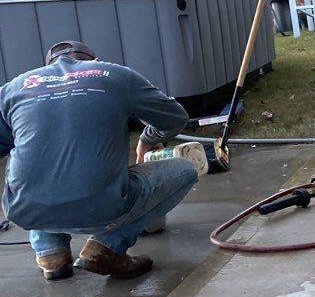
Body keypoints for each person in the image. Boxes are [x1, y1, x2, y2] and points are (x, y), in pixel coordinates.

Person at [0, 41, 199, 281]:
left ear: (47, 67)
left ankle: (51, 254)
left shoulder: (14, 88)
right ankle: (106, 248)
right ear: (93, 61)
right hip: (103, 206)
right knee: (185, 170)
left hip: (23, 210)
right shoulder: (113, 74)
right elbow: (175, 117)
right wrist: (147, 138)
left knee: (32, 157)